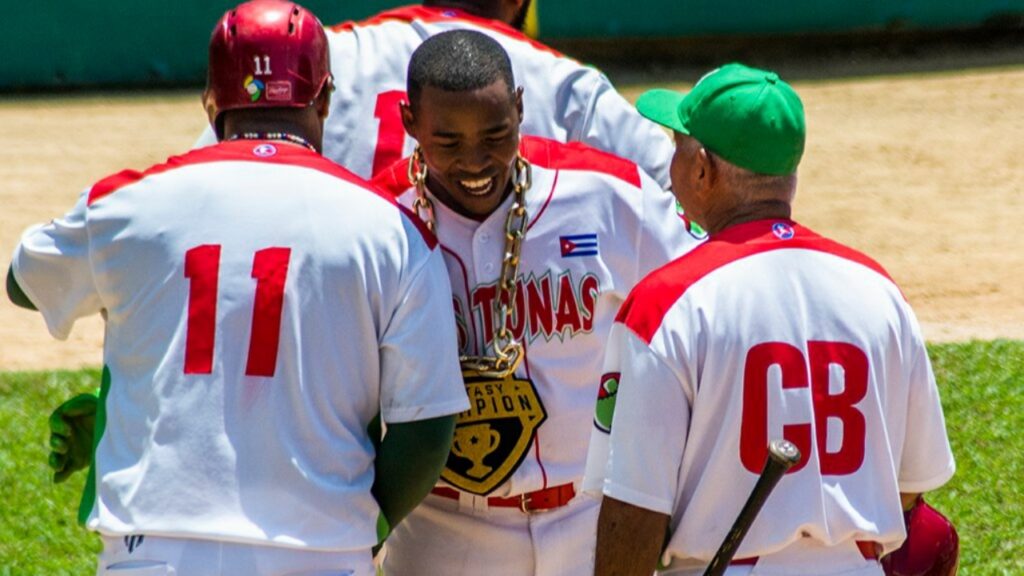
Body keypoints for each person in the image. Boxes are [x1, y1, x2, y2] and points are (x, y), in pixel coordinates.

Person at [6, 1, 467, 574]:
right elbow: (427, 427)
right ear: (324, 99)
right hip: (321, 553)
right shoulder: (393, 230)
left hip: (153, 553)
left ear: (210, 100)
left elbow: (23, 282)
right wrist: (364, 525)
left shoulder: (127, 205)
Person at [582, 63, 958, 576]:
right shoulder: (879, 291)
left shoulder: (666, 304)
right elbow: (913, 484)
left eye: (678, 146)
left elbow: (633, 506)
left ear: (702, 168)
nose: (670, 164)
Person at [367, 30, 701, 576]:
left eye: (497, 134)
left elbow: (704, 305)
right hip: (444, 528)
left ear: (521, 108)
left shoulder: (607, 195)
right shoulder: (377, 221)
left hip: (591, 518)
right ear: (410, 123)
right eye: (447, 142)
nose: (475, 161)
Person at [195, 0, 675, 187]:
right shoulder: (563, 79)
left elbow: (209, 176)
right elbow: (678, 191)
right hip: (513, 361)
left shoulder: (324, 52)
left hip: (331, 350)